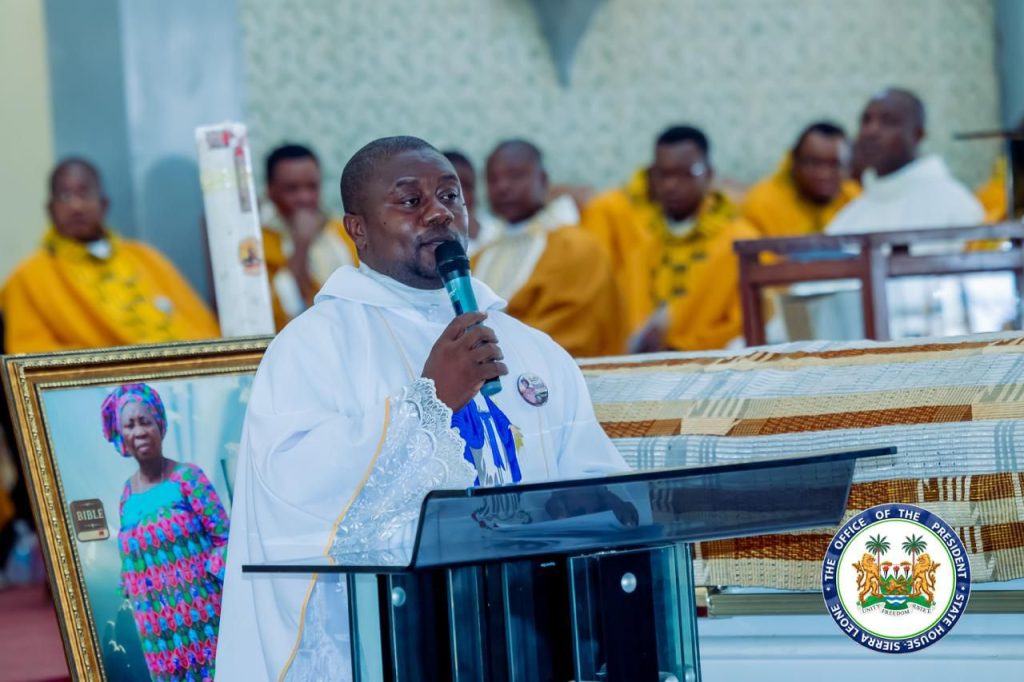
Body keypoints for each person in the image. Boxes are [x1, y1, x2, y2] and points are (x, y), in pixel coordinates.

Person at [216, 136, 628, 680]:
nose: (438, 212)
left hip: (527, 632)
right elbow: (293, 490)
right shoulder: (313, 345)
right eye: (410, 201)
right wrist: (430, 401)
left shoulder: (528, 346)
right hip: (390, 642)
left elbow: (599, 484)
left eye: (450, 195)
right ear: (357, 228)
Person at [824, 88, 1013, 336]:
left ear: (918, 134)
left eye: (888, 122)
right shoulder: (846, 219)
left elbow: (979, 302)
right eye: (866, 120)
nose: (871, 131)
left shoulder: (956, 205)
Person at [1, 159, 220, 354]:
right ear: (51, 209)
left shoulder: (145, 258)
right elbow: (29, 354)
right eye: (65, 196)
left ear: (103, 204)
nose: (76, 206)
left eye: (85, 194)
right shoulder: (29, 277)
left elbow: (202, 327)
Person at [581, 126, 759, 353]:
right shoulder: (644, 239)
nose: (670, 185)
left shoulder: (740, 241)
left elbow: (746, 323)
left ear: (709, 174)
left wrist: (677, 349)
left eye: (685, 173)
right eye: (662, 175)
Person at [102, 383, 229, 682]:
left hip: (204, 622)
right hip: (158, 634)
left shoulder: (188, 477)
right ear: (122, 437)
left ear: (160, 423)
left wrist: (200, 589)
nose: (139, 431)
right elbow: (130, 561)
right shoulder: (126, 495)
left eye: (145, 421)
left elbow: (224, 538)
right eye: (129, 425)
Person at [470, 140, 625, 357]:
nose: (502, 187)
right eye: (493, 179)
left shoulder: (576, 248)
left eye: (515, 176)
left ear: (543, 180)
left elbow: (574, 329)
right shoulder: (478, 257)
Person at [261, 144, 359, 330]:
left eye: (312, 187)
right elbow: (277, 313)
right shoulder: (260, 242)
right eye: (292, 189)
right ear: (270, 190)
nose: (305, 198)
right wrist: (302, 244)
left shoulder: (341, 231)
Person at [742, 122, 861, 238]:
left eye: (835, 164)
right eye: (815, 163)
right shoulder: (762, 203)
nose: (825, 174)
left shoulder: (854, 199)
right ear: (794, 162)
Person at [441, 150, 501, 256]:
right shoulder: (430, 245)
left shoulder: (498, 233)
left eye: (467, 186)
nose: (460, 194)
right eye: (449, 188)